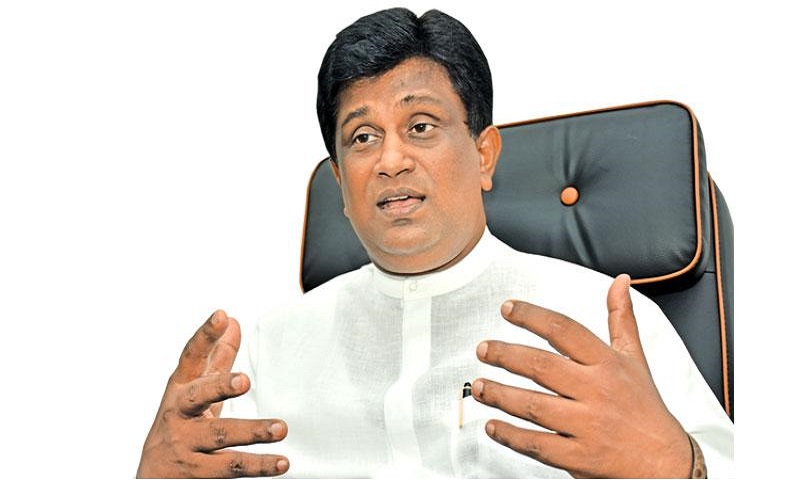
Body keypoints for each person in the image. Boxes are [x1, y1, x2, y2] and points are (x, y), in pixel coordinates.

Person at [137, 8, 733, 478]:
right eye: (363, 136)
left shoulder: (601, 318)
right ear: (340, 182)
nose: (391, 160)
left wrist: (674, 466)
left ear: (484, 154)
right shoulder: (267, 349)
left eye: (420, 126)